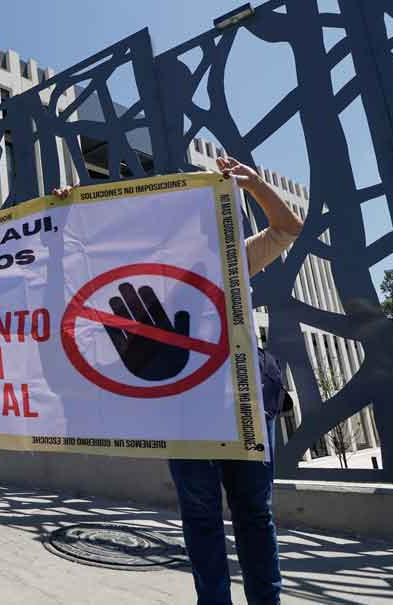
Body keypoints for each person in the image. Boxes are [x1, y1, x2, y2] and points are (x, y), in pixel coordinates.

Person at [56, 156, 301, 605]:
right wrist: (68, 213)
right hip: (183, 410)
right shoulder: (142, 275)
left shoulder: (232, 257)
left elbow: (287, 228)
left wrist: (254, 185)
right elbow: (74, 278)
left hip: (243, 404)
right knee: (201, 515)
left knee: (253, 512)